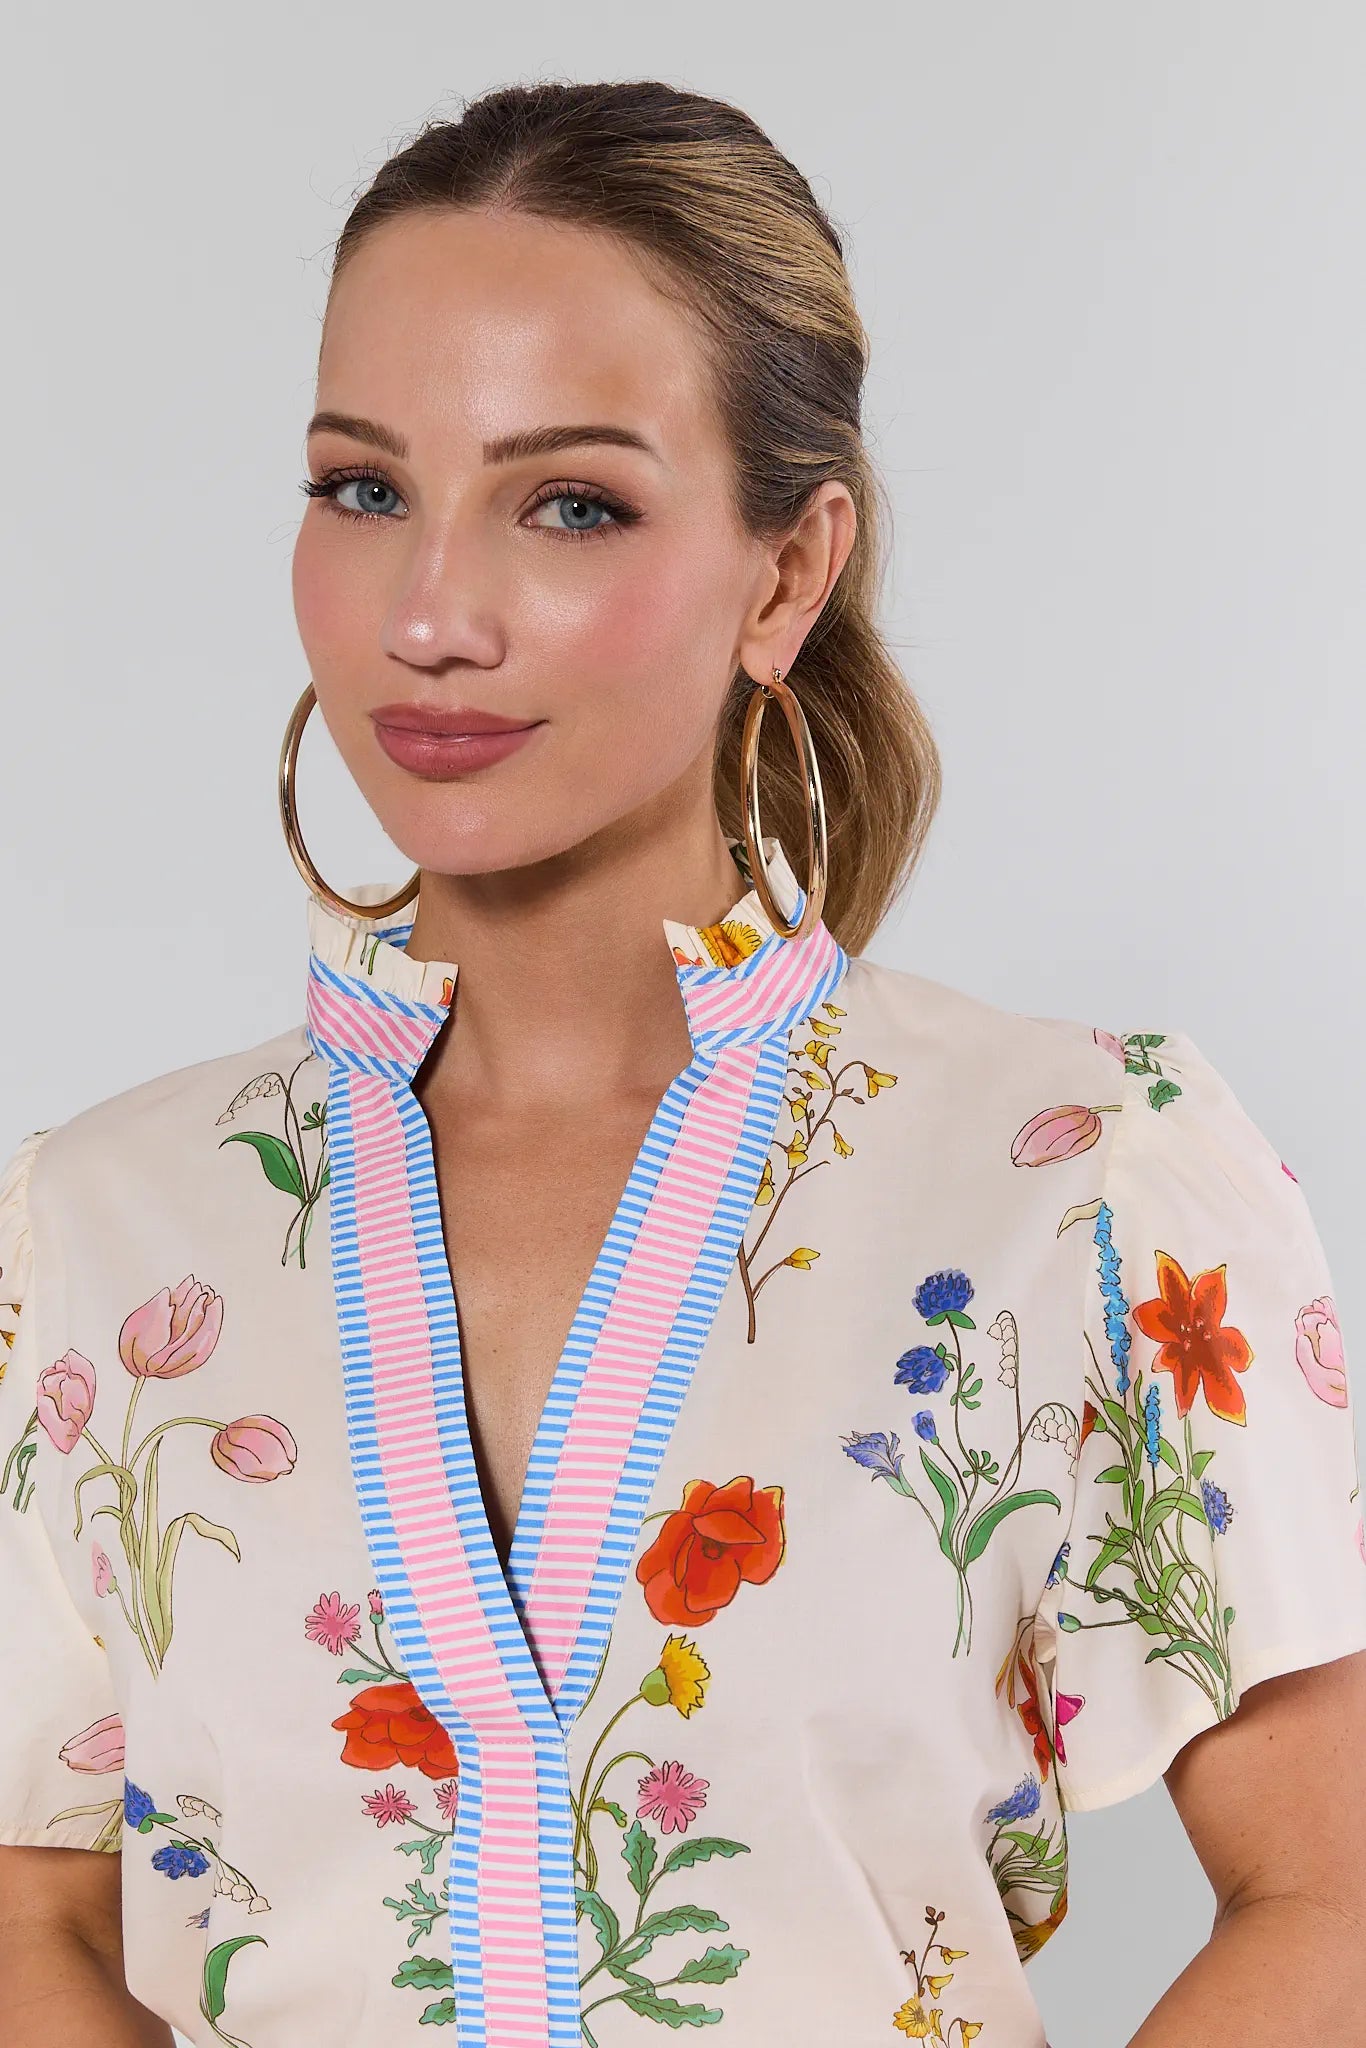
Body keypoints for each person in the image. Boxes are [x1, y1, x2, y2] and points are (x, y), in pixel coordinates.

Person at [1, 77, 1363, 2048]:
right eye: (363, 488)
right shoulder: (103, 1238)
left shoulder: (1074, 1181)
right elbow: (31, 1923)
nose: (428, 615)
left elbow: (1330, 1895)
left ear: (784, 574)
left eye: (570, 503)